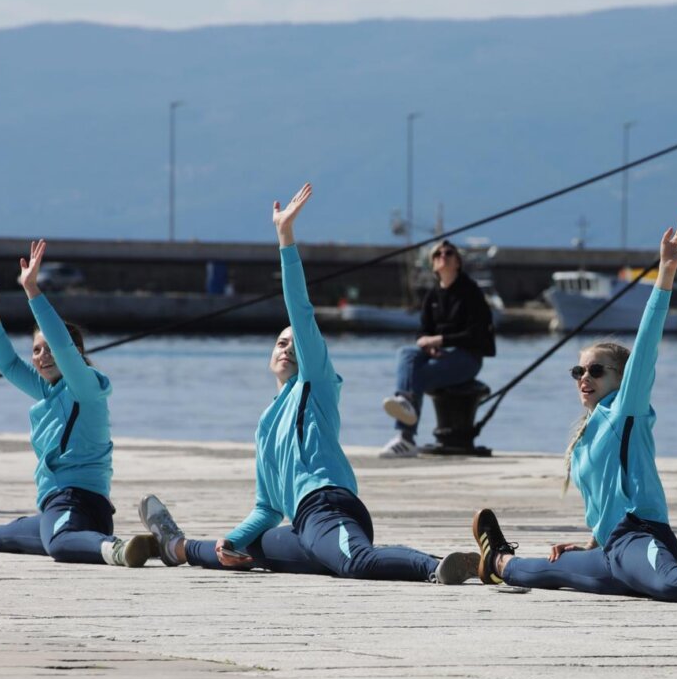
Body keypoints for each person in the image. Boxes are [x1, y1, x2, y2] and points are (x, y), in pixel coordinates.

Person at [137, 183, 476, 585]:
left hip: (328, 507)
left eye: (296, 343)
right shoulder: (266, 424)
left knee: (358, 562)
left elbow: (299, 308)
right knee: (245, 550)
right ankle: (175, 545)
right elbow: (266, 508)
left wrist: (285, 238)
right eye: (281, 343)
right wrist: (232, 540)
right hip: (301, 524)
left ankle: (438, 566)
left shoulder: (315, 382)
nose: (288, 349)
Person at [469, 217, 677, 608]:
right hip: (610, 550)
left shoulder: (624, 410)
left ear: (620, 379)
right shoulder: (583, 439)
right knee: (548, 568)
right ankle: (496, 558)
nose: (585, 377)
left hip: (641, 539)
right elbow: (604, 504)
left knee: (669, 584)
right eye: (578, 371)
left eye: (596, 371)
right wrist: (587, 542)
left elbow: (647, 342)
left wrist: (666, 270)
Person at [0, 242, 156, 567]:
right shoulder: (48, 392)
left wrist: (32, 291)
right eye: (36, 350)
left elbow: (61, 342)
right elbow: (10, 366)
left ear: (73, 353)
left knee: (58, 544)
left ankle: (115, 549)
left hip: (79, 502)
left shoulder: (85, 387)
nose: (42, 357)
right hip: (60, 508)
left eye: (49, 349)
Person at [379, 238, 495, 458]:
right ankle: (405, 402)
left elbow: (476, 334)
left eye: (448, 253)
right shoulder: (432, 295)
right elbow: (423, 331)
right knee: (406, 353)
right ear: (433, 264)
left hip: (467, 358)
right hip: (439, 354)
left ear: (457, 262)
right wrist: (428, 345)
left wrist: (439, 341)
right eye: (437, 254)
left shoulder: (470, 292)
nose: (443, 256)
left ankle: (405, 438)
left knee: (418, 375)